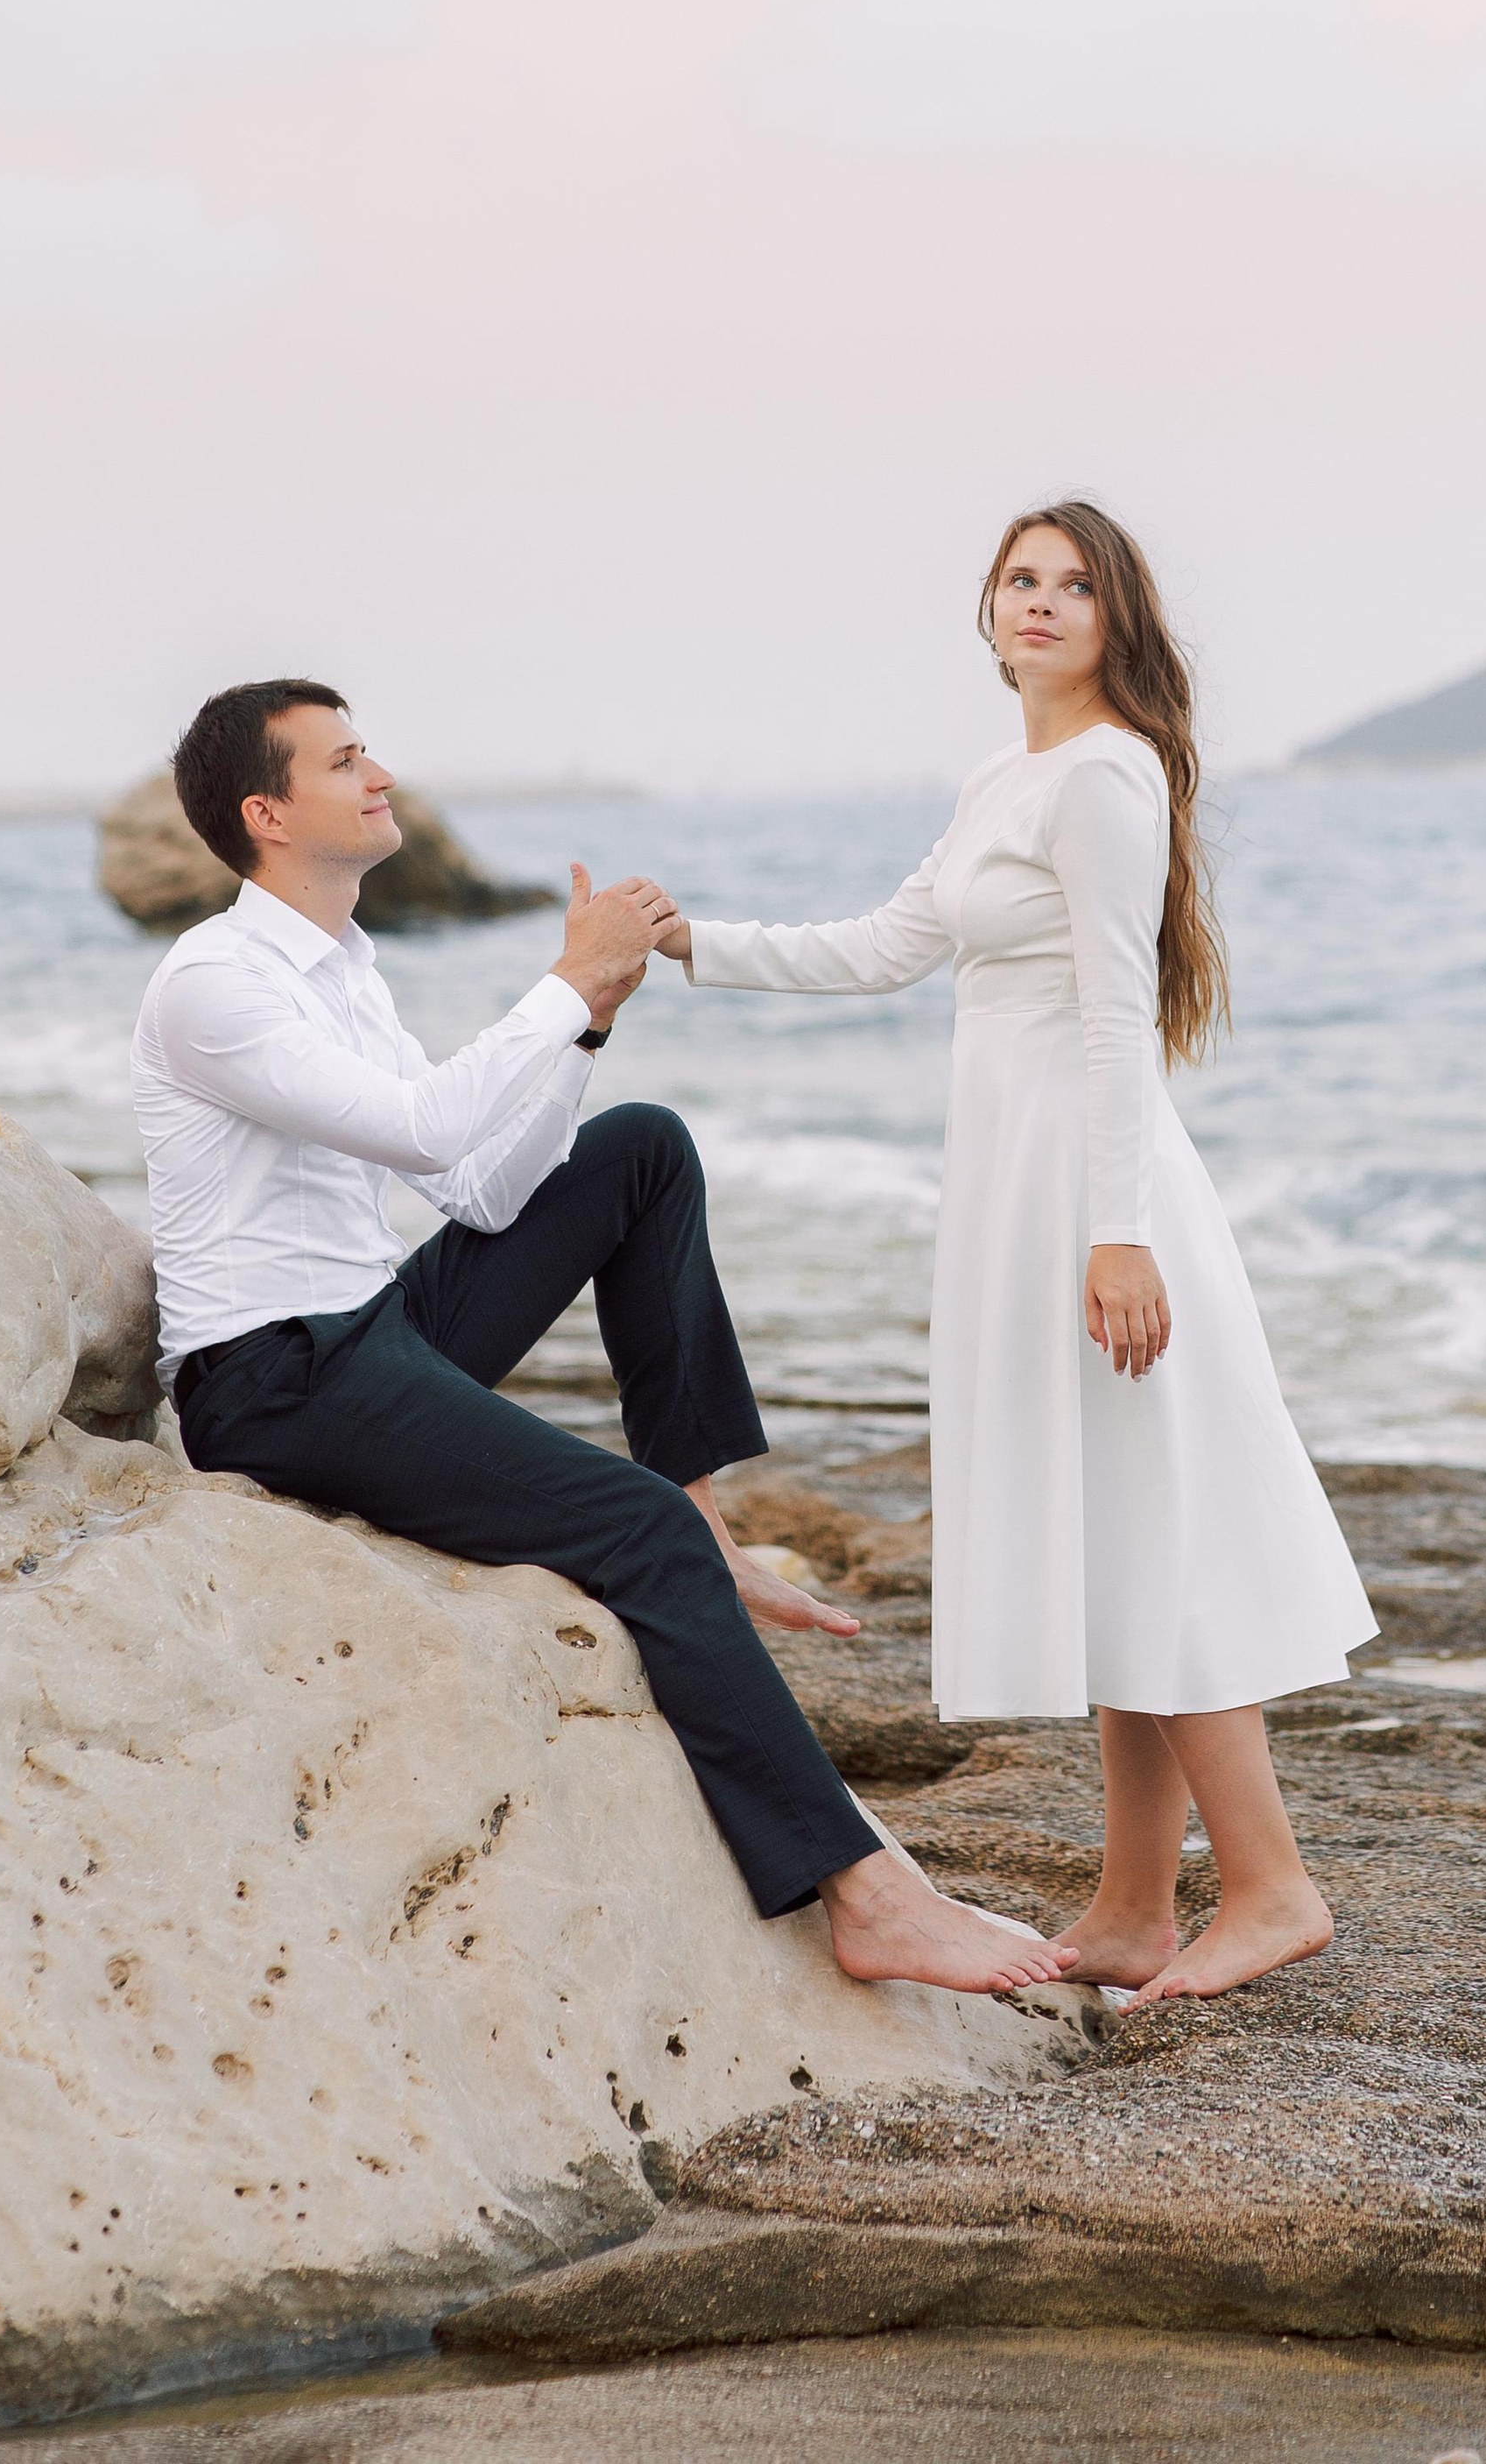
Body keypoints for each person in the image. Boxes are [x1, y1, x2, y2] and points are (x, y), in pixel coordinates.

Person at [130, 675, 1074, 2001]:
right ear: (267, 814)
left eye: (369, 750)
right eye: (344, 761)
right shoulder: (214, 983)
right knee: (636, 1534)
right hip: (274, 1377)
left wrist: (592, 1020)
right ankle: (869, 1899)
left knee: (639, 1150)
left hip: (371, 1327)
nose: (380, 775)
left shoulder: (347, 971)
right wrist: (564, 980)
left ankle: (708, 1519)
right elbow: (423, 1130)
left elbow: (482, 1193)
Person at [652, 506, 1377, 2001]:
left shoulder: (1106, 775)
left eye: (1076, 585)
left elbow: (1119, 1016)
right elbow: (880, 946)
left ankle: (1271, 1888)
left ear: (1118, 621)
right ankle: (1132, 1909)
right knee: (1115, 1536)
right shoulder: (1006, 777)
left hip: (1096, 1201)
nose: (1042, 602)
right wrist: (684, 943)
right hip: (1026, 1189)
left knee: (1155, 1535)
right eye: (1021, 580)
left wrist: (1119, 1238)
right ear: (988, 611)